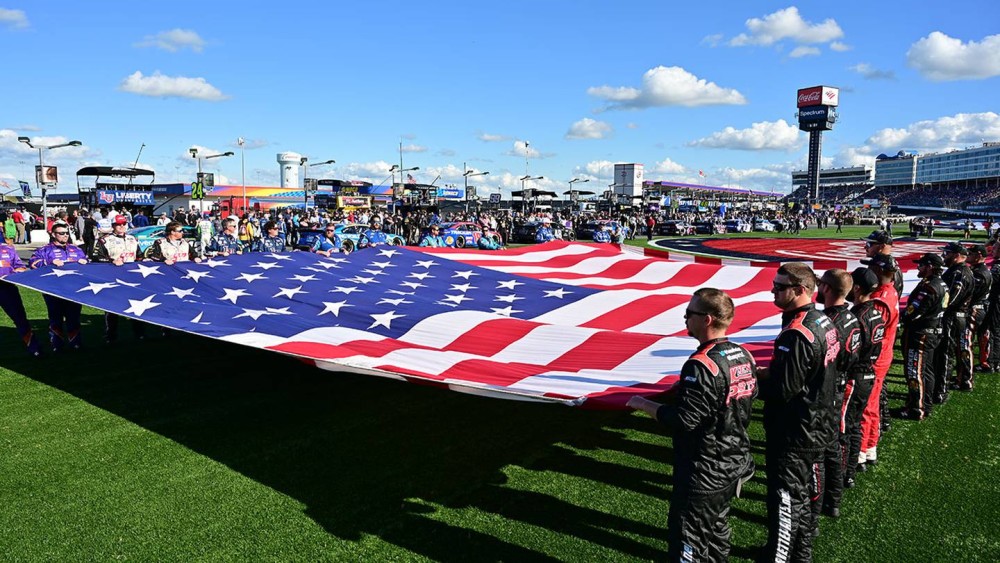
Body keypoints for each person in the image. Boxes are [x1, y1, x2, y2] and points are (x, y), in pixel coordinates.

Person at [627, 288, 756, 561]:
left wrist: (642, 404)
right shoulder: (742, 354)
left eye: (689, 314)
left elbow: (684, 420)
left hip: (704, 471)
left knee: (689, 542)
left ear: (707, 319)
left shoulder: (701, 365)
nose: (685, 319)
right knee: (717, 535)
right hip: (733, 463)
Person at [756, 263, 838, 562]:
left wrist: (745, 386)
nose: (773, 291)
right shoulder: (824, 321)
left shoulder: (797, 332)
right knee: (801, 496)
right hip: (818, 419)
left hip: (796, 429)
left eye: (779, 287)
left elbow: (783, 390)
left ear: (800, 290)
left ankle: (779, 557)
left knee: (786, 499)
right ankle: (800, 555)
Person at [813, 269, 860, 519]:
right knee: (836, 441)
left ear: (828, 289)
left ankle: (827, 500)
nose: (818, 289)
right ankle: (833, 498)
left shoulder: (829, 322)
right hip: (843, 382)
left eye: (820, 285)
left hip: (832, 388)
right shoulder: (851, 316)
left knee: (827, 447)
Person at [841, 267, 889, 490]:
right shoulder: (876, 312)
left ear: (857, 288)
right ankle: (853, 465)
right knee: (856, 424)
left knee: (845, 427)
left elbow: (850, 351)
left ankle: (844, 472)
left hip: (855, 375)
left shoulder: (856, 317)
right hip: (869, 372)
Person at [857, 252, 899, 467]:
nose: (868, 270)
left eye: (871, 266)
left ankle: (861, 450)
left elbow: (872, 335)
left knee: (865, 405)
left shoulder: (879, 300)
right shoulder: (889, 292)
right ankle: (870, 446)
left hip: (875, 358)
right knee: (871, 404)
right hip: (883, 356)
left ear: (880, 270)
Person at [896, 253, 947, 420]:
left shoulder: (929, 287)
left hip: (921, 334)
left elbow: (914, 312)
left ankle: (917, 409)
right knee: (926, 371)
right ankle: (925, 404)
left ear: (930, 266)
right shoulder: (941, 283)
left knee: (914, 371)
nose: (918, 267)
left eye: (922, 265)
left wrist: (902, 319)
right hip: (932, 332)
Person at [30, 224, 89, 351]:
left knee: (73, 317)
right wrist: (49, 263)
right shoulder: (44, 250)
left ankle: (76, 343)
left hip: (74, 288)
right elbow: (33, 264)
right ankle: (56, 344)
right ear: (53, 234)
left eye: (66, 233)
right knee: (55, 317)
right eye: (61, 233)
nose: (65, 235)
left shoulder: (76, 249)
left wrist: (85, 262)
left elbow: (87, 263)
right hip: (53, 289)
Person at [93, 215, 145, 343]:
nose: (122, 226)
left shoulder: (133, 239)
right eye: (118, 224)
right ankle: (110, 335)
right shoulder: (105, 240)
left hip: (132, 277)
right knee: (112, 307)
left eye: (124, 224)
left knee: (137, 306)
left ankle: (139, 334)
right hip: (113, 277)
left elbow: (139, 256)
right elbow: (96, 257)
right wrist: (111, 261)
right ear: (113, 226)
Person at [934, 241, 975, 395]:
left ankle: (940, 390)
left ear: (957, 256)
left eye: (947, 253)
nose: (944, 256)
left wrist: (938, 309)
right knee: (947, 351)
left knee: (945, 353)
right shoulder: (958, 270)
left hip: (953, 317)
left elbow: (950, 299)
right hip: (956, 316)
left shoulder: (959, 273)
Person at [0, 234, 42, 356]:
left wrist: (11, 274)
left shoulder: (8, 249)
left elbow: (21, 267)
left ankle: (34, 347)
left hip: (7, 289)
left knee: (20, 318)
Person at [966, 244, 993, 374]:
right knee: (982, 337)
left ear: (979, 256)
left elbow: (971, 293)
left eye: (971, 254)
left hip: (975, 309)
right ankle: (985, 362)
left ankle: (966, 374)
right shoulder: (980, 270)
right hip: (981, 308)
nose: (968, 255)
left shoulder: (979, 273)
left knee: (966, 341)